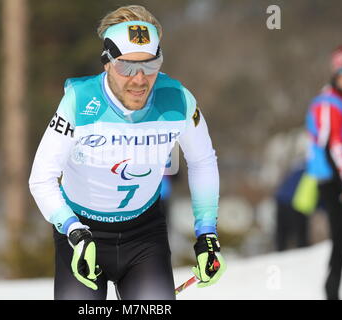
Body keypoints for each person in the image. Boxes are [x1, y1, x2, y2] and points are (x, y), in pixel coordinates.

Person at [29, 5, 225, 300]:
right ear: (107, 63)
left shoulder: (178, 101)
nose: (139, 79)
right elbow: (41, 178)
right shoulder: (79, 103)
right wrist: (72, 230)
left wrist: (206, 232)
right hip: (83, 235)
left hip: (144, 236)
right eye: (127, 67)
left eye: (149, 65)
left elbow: (202, 161)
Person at [305, 45, 342, 300]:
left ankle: (332, 292)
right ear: (338, 75)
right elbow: (333, 148)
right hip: (335, 181)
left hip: (338, 178)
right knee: (341, 239)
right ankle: (331, 292)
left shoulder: (341, 102)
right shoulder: (330, 103)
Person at [274, 163, 311, 251]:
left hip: (281, 199)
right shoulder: (311, 171)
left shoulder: (298, 167)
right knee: (300, 235)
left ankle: (280, 251)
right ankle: (302, 253)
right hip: (297, 202)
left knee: (282, 233)